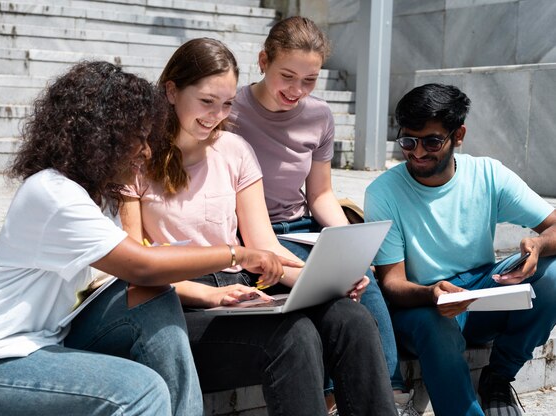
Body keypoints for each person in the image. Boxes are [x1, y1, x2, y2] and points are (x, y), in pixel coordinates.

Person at [0, 60, 294, 416]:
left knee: (153, 297)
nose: (146, 152)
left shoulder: (96, 193)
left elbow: (143, 279)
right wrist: (236, 254)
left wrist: (211, 293)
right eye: (138, 139)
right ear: (100, 137)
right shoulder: (52, 195)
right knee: (141, 389)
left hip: (55, 338)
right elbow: (142, 265)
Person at [123, 37, 397, 416]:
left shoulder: (234, 150)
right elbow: (134, 267)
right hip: (181, 302)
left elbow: (265, 244)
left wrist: (322, 277)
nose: (216, 115)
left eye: (227, 104)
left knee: (351, 318)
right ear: (171, 91)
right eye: (206, 101)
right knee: (293, 336)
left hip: (244, 289)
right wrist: (212, 296)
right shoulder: (135, 160)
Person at [227, 15, 413, 414]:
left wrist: (348, 242)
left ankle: (385, 393)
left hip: (303, 228)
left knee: (366, 286)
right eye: (287, 76)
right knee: (333, 298)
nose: (296, 91)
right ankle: (332, 397)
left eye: (309, 80)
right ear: (263, 61)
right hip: (253, 235)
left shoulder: (319, 116)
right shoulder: (232, 112)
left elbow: (321, 193)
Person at [364, 83, 556, 416]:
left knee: (552, 274)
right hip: (421, 305)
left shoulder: (488, 174)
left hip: (481, 292)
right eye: (408, 141)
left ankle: (498, 378)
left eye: (432, 141)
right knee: (435, 325)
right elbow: (392, 284)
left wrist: (539, 244)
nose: (418, 152)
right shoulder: (384, 192)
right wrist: (430, 294)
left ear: (459, 134)